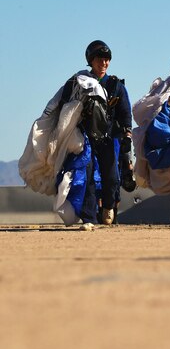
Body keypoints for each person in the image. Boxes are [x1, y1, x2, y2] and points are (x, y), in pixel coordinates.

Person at [62, 40, 132, 230]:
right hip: (86, 139)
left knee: (111, 177)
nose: (104, 63)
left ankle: (108, 206)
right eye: (100, 60)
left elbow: (125, 113)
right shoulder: (78, 83)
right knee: (88, 175)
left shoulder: (116, 85)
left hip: (110, 138)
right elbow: (64, 106)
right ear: (91, 61)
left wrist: (127, 134)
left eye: (107, 60)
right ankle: (89, 217)